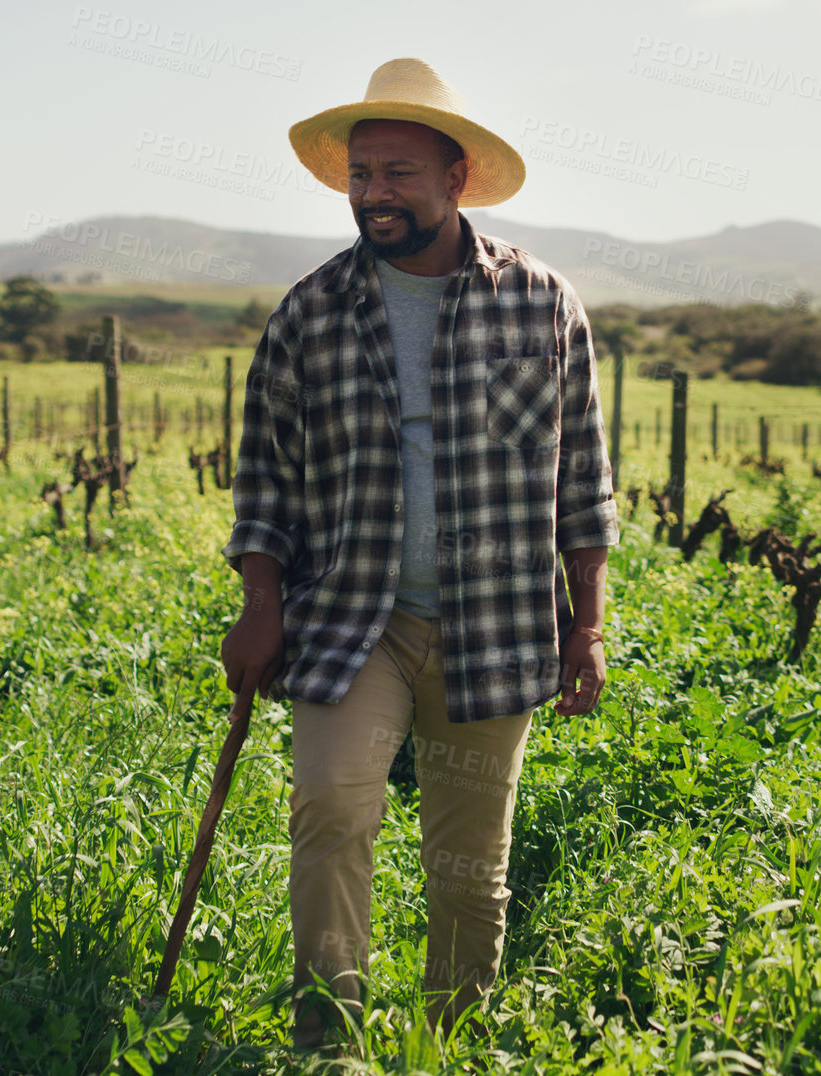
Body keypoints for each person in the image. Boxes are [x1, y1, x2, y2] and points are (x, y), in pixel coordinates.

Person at [217, 56, 618, 1049]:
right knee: (330, 813)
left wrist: (591, 623)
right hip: (356, 619)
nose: (374, 193)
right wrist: (259, 601)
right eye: (361, 174)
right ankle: (330, 1040)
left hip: (498, 623)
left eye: (397, 171)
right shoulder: (310, 312)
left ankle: (453, 1040)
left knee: (468, 859)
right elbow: (265, 479)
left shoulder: (542, 304)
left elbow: (584, 485)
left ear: (457, 178)